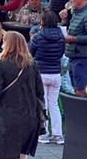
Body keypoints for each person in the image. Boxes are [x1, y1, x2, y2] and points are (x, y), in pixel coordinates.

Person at [0, 32, 45, 159]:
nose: (2, 44)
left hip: (8, 117)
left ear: (9, 44)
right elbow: (40, 91)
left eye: (4, 41)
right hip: (30, 117)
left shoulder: (2, 65)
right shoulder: (31, 64)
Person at [28, 11, 65, 145]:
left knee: (42, 105)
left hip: (41, 73)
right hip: (55, 73)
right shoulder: (61, 36)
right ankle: (58, 134)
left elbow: (30, 53)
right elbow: (61, 53)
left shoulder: (38, 37)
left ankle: (44, 134)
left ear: (42, 21)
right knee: (54, 104)